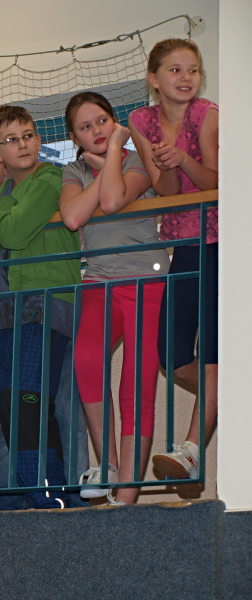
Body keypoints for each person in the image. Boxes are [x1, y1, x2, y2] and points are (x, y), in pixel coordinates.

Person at [60, 92, 169, 505]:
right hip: (99, 281)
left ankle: (126, 493)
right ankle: (106, 465)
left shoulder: (138, 158)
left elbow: (110, 201)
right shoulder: (73, 169)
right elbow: (73, 217)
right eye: (85, 127)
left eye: (103, 121)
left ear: (115, 122)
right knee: (86, 359)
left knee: (137, 382)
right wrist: (103, 166)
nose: (97, 130)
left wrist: (113, 156)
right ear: (74, 137)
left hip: (147, 280)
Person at [129, 39, 218, 486]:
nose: (186, 78)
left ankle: (190, 451)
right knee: (172, 352)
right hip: (184, 242)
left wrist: (183, 157)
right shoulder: (141, 120)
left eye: (193, 69)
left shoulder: (207, 114)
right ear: (154, 78)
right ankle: (232, 392)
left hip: (222, 238)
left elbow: (218, 181)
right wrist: (167, 164)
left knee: (215, 350)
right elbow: (166, 191)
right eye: (175, 69)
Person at [0, 105, 82, 509]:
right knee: (17, 400)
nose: (22, 144)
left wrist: (1, 213)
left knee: (29, 397)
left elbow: (11, 232)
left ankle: (47, 488)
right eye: (11, 140)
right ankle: (36, 489)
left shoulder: (50, 178)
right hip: (12, 309)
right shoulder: (5, 193)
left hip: (48, 302)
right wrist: (2, 208)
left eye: (28, 135)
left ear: (39, 140)